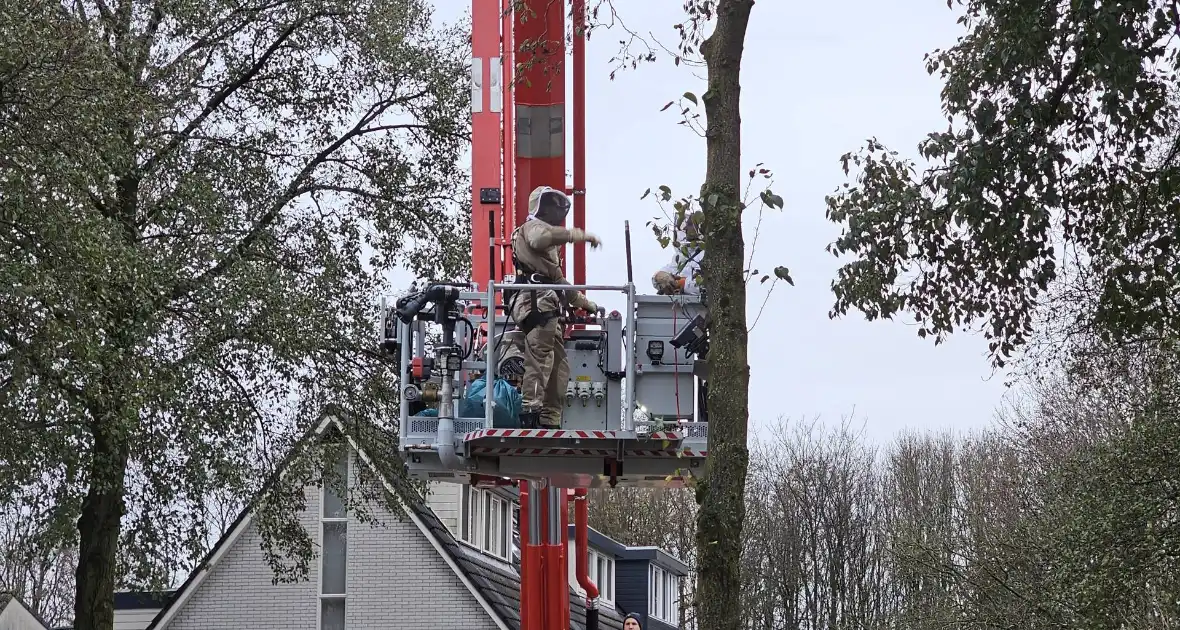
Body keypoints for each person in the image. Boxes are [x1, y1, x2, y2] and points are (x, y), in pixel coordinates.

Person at [508, 185, 602, 429]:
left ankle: (550, 417)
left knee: (560, 366)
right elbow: (540, 238)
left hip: (547, 305)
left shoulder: (548, 248)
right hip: (535, 304)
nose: (554, 210)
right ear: (539, 207)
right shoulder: (532, 228)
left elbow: (559, 282)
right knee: (540, 361)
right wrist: (575, 235)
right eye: (550, 204)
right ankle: (531, 412)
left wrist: (584, 303)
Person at [652, 211, 703, 295]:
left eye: (690, 224)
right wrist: (661, 277)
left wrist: (682, 283)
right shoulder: (680, 256)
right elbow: (659, 275)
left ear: (700, 226)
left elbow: (708, 285)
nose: (685, 228)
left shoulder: (708, 255)